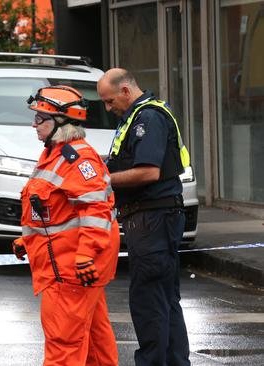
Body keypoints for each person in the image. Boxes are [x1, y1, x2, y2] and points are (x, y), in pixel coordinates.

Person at [13, 85, 120, 365]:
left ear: (62, 123)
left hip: (70, 268)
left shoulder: (76, 158)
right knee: (96, 344)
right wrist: (29, 240)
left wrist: (85, 255)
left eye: (40, 118)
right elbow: (57, 211)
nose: (34, 124)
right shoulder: (57, 153)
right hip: (71, 264)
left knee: (63, 346)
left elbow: (96, 210)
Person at [97, 68, 191, 366]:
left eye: (110, 101)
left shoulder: (147, 118)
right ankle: (176, 361)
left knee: (148, 300)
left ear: (125, 91)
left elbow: (149, 171)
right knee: (164, 299)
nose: (108, 108)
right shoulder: (139, 116)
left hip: (152, 218)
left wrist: (104, 180)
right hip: (155, 218)